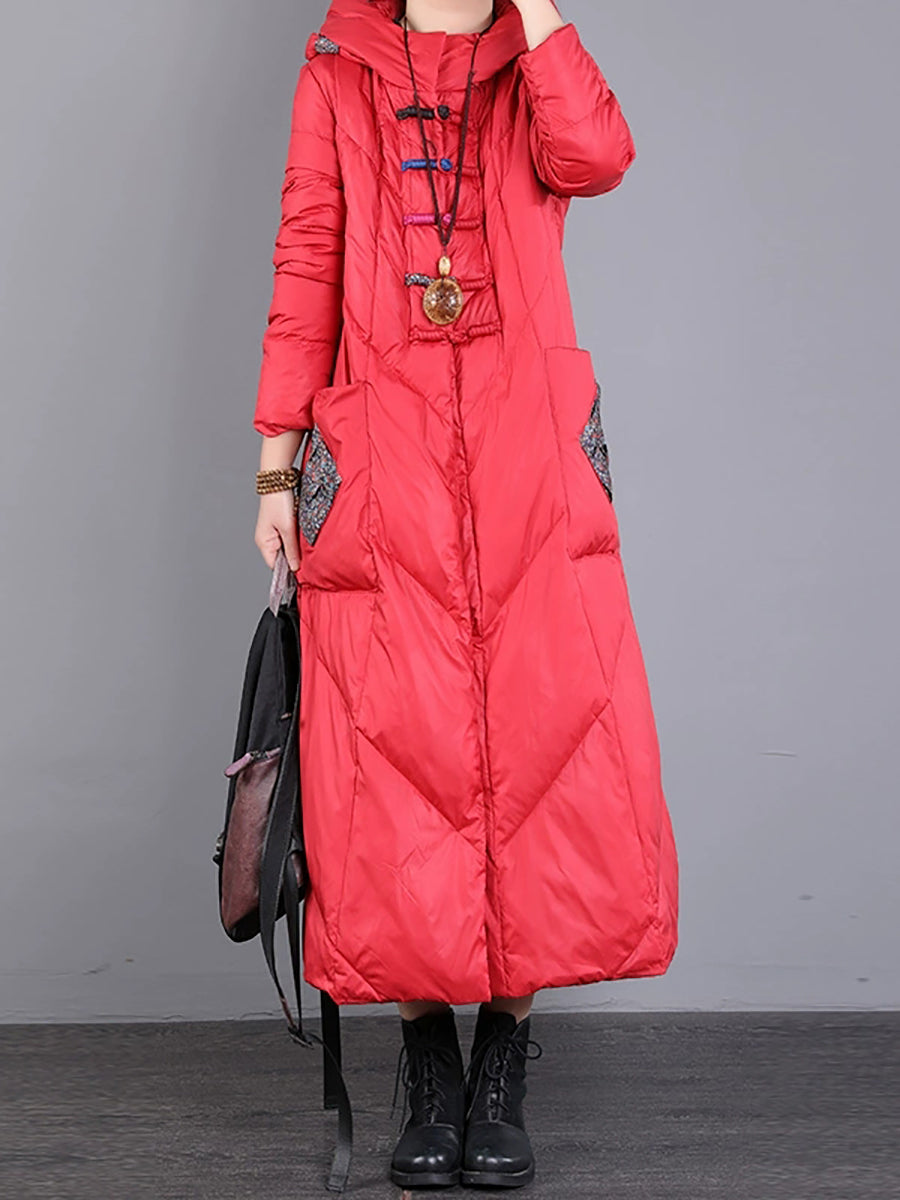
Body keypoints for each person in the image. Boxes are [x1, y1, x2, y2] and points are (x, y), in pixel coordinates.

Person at [251, 0, 679, 1189]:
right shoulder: (336, 74)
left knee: (536, 746)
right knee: (399, 763)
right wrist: (277, 468)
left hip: (527, 457)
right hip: (381, 459)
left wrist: (536, 11)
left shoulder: (530, 67)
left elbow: (596, 154)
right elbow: (308, 263)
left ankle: (502, 1066)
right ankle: (428, 1065)